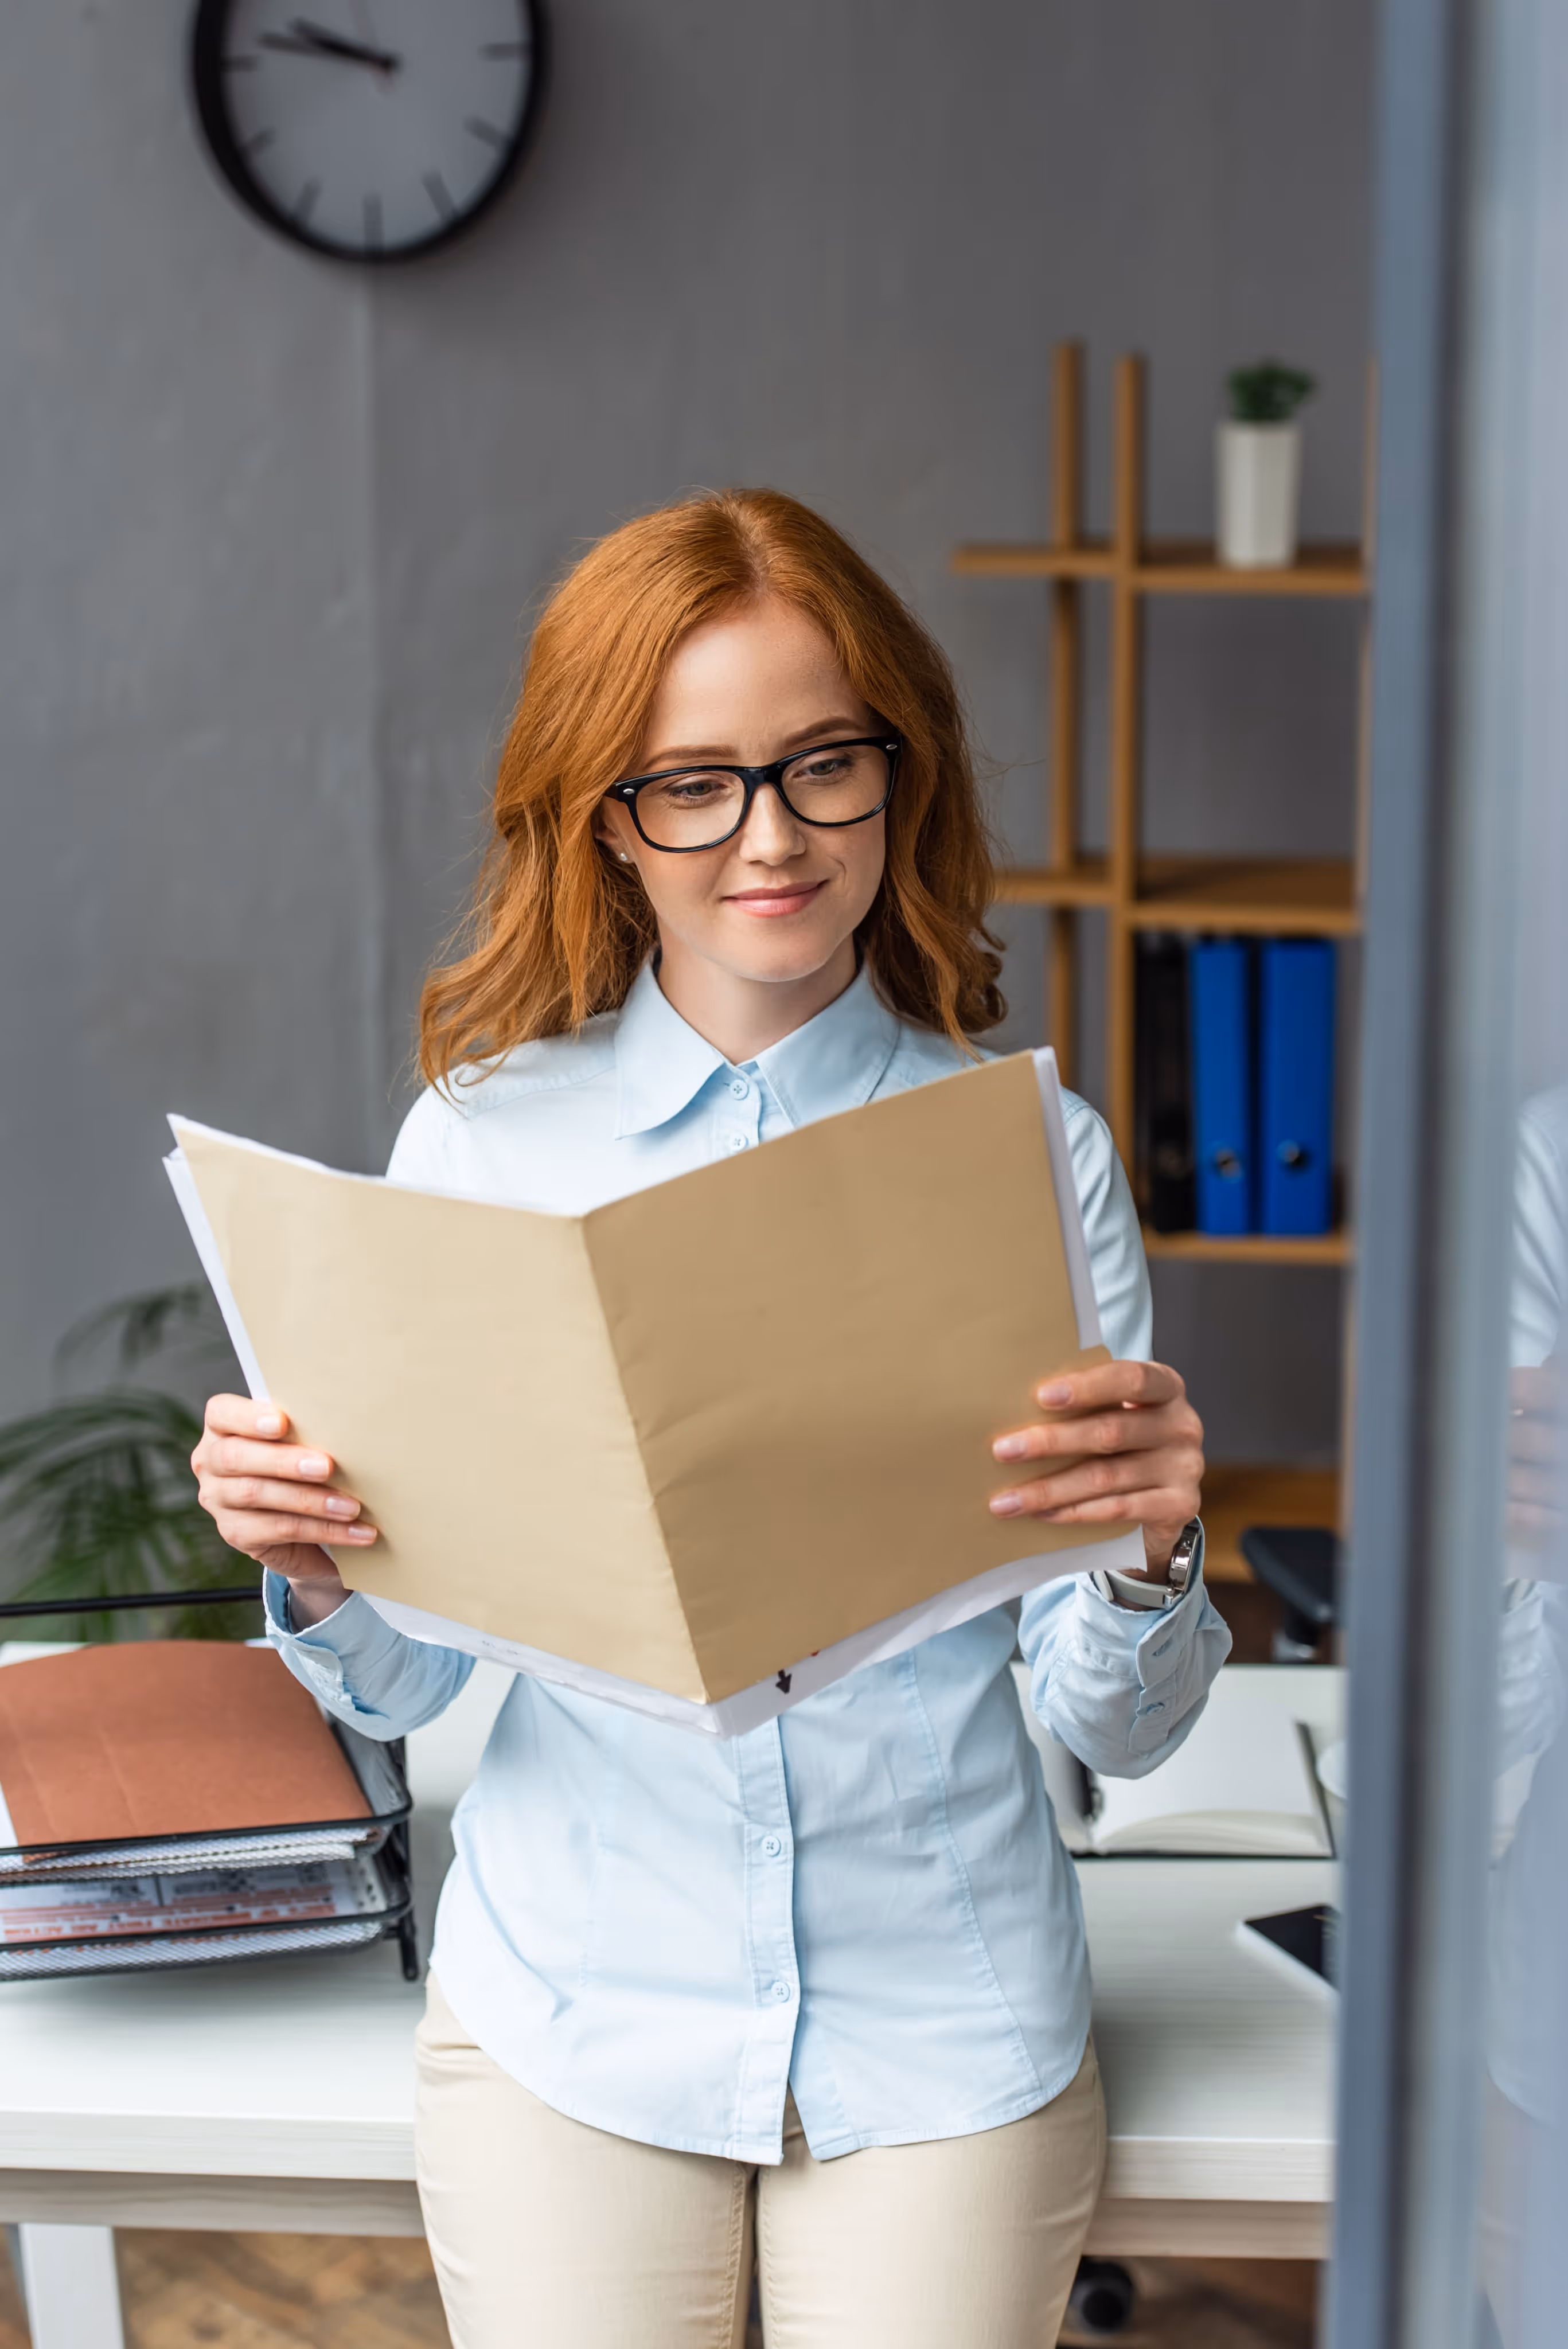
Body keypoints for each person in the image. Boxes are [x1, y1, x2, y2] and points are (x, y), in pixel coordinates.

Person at [191, 489, 1229, 2349]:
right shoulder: (482, 1141)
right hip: (579, 2005)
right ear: (602, 817)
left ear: (895, 775)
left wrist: (1150, 1560)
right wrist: (319, 1574)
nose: (769, 837)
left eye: (823, 764)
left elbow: (1108, 1730)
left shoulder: (1024, 1159)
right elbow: (413, 1696)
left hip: (945, 2013)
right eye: (693, 783)